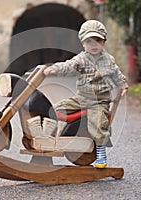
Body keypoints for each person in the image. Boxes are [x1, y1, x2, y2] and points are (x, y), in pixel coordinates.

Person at [43, 20, 129, 168]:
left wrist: (122, 84)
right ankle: (49, 136)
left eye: (98, 40)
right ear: (83, 43)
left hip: (99, 101)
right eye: (89, 41)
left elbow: (116, 74)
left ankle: (100, 151)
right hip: (81, 98)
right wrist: (55, 69)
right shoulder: (81, 59)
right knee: (56, 108)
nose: (94, 45)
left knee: (98, 123)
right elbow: (68, 66)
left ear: (104, 42)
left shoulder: (109, 60)